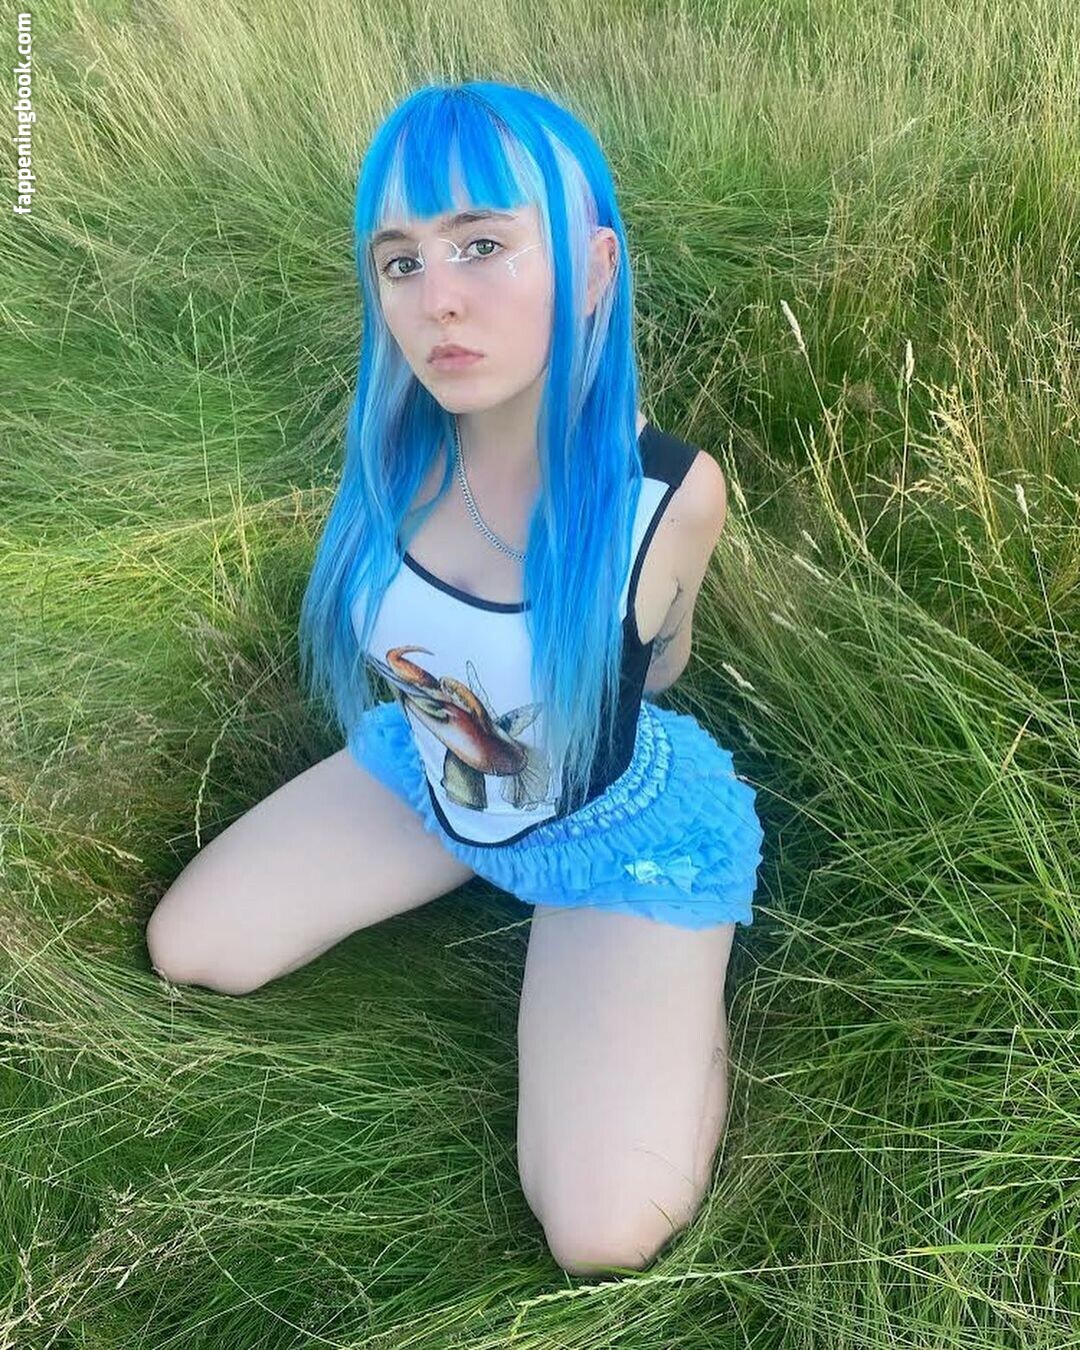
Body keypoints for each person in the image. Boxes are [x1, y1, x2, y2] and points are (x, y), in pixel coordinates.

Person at [145, 79, 765, 1277]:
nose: (436, 300)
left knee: (602, 1233)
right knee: (193, 949)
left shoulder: (665, 496)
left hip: (609, 829)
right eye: (401, 260)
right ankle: (492, 878)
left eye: (482, 244)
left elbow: (662, 661)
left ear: (593, 267)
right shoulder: (392, 460)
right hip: (432, 779)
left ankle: (667, 997)